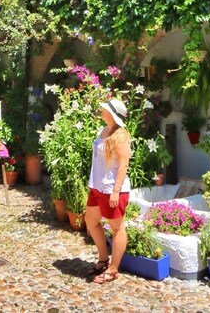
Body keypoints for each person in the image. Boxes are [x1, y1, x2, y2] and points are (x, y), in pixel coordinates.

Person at [84, 97, 131, 284]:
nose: (101, 112)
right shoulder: (103, 130)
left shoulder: (120, 136)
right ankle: (103, 259)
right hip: (97, 187)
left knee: (117, 228)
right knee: (91, 221)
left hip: (112, 189)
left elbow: (124, 164)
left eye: (105, 110)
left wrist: (115, 191)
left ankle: (113, 268)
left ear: (112, 115)